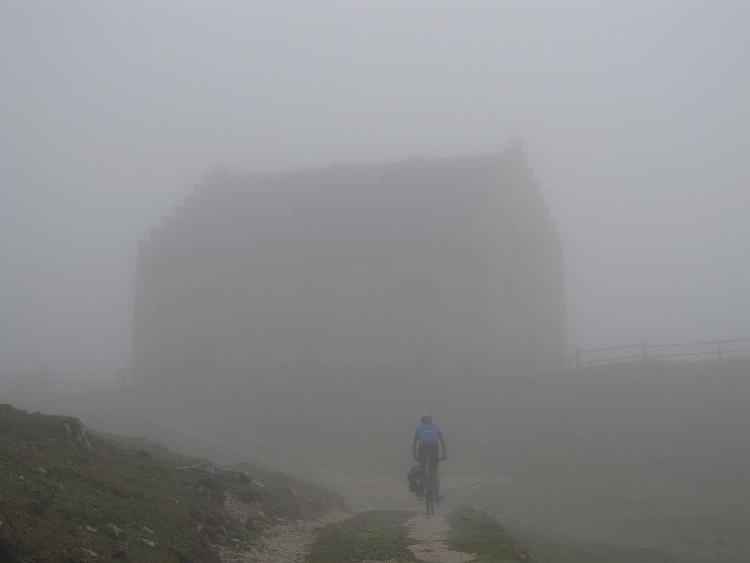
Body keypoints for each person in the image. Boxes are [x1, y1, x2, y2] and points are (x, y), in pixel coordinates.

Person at [412, 415, 447, 502]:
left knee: (422, 468)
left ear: (422, 422)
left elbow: (414, 444)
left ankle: (421, 490)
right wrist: (445, 454)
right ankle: (437, 493)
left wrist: (416, 456)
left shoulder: (419, 428)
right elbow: (442, 442)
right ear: (431, 421)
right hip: (433, 446)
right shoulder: (436, 427)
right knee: (435, 469)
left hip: (422, 447)